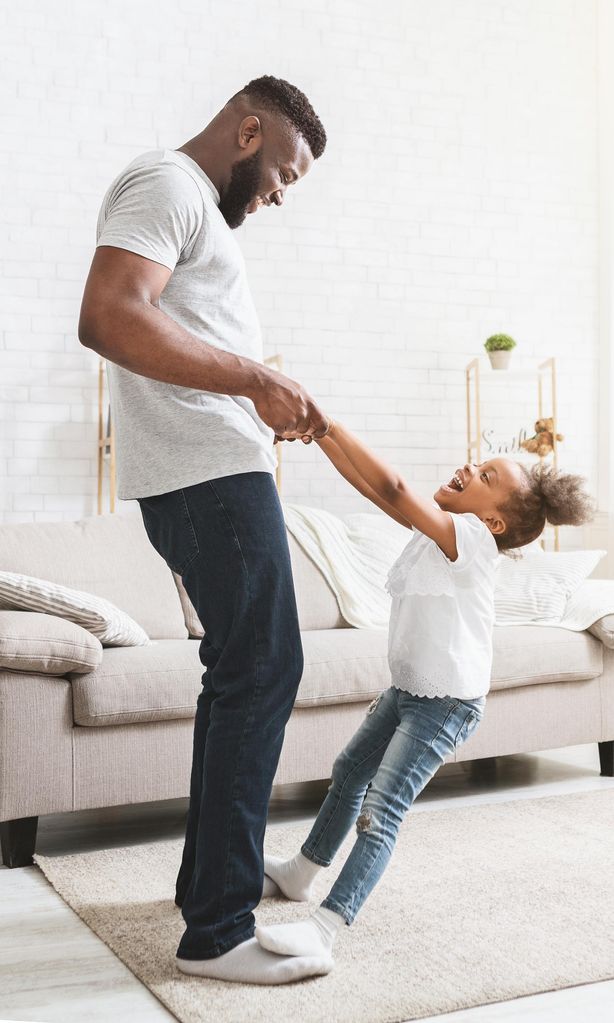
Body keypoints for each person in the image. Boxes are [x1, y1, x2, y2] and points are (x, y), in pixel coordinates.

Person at [78, 76, 335, 985]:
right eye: (282, 173)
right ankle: (217, 933)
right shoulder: (169, 184)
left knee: (242, 670)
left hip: (215, 469)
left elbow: (171, 330)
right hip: (202, 477)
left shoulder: (195, 211)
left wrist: (257, 392)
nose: (278, 193)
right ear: (249, 128)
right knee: (265, 666)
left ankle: (206, 886)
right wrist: (251, 382)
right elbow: (108, 315)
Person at [256, 418, 594, 968]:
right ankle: (302, 872)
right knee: (348, 771)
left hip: (446, 703)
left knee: (381, 808)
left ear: (492, 520)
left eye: (485, 475)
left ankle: (325, 930)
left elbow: (391, 485)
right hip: (411, 689)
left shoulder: (474, 540)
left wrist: (329, 422)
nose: (467, 467)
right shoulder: (440, 530)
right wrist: (320, 438)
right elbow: (371, 487)